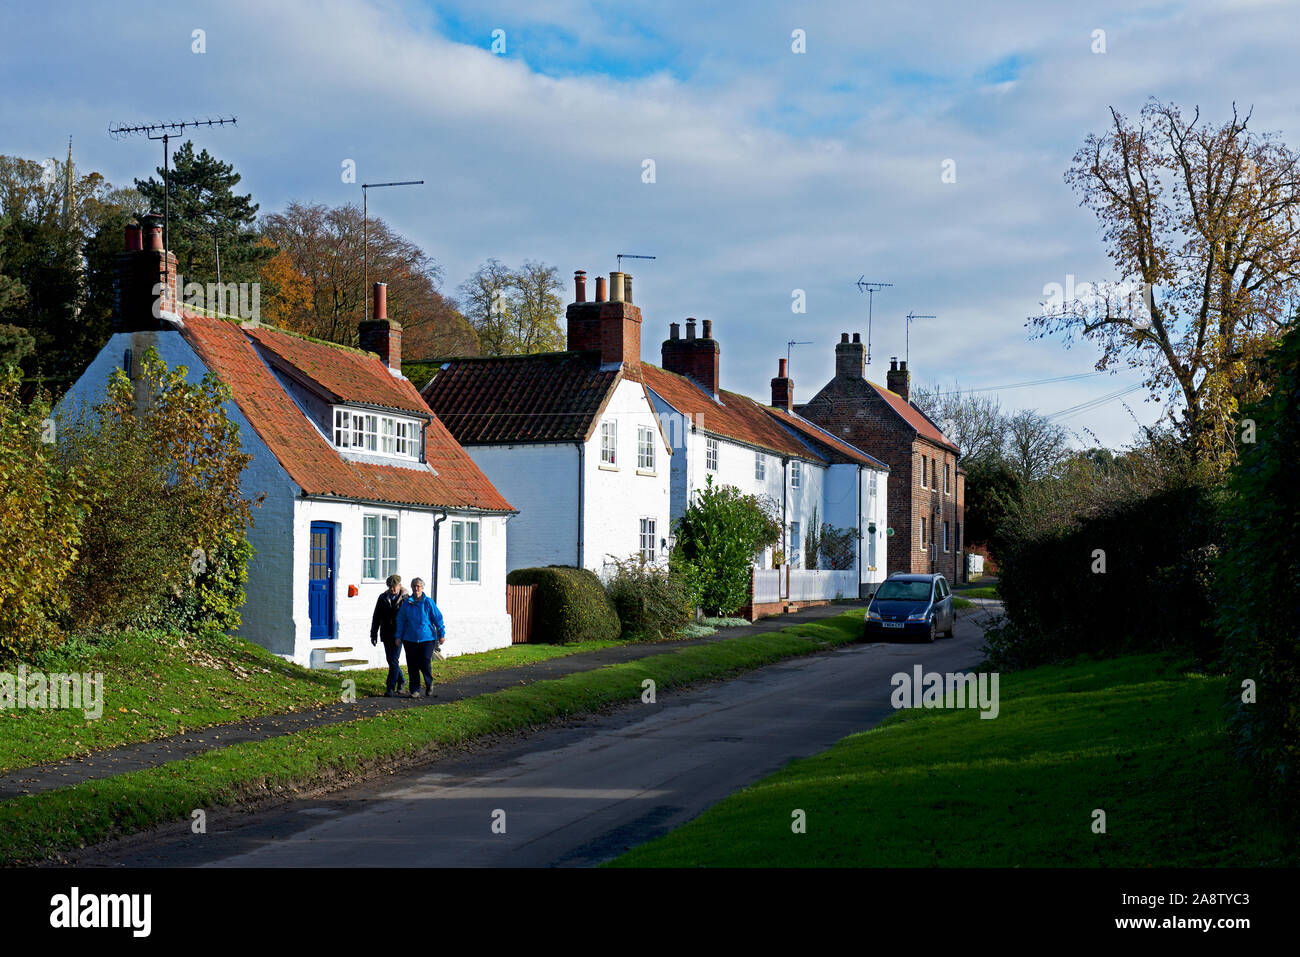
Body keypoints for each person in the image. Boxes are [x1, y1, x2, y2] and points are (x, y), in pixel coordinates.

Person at [394, 578, 446, 697]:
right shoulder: (407, 603)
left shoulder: (428, 602)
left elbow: (437, 618)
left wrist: (441, 634)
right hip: (410, 638)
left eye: (418, 586)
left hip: (427, 638)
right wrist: (398, 636)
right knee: (412, 665)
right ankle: (415, 690)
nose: (416, 589)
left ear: (422, 588)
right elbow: (401, 620)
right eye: (414, 586)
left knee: (424, 662)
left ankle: (429, 682)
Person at [370, 574, 408, 697]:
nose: (392, 589)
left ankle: (390, 687)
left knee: (393, 660)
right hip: (386, 633)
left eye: (394, 586)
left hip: (399, 634)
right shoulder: (382, 598)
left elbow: (409, 617)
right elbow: (376, 617)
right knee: (391, 660)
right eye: (390, 587)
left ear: (400, 585)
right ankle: (401, 680)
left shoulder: (406, 599)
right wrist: (373, 634)